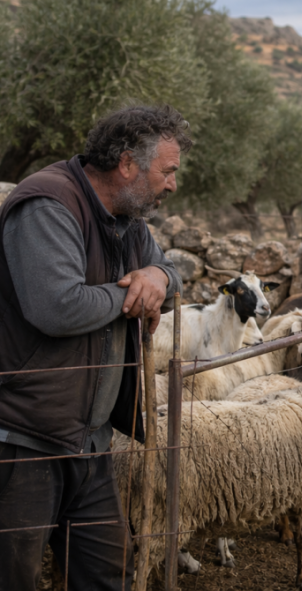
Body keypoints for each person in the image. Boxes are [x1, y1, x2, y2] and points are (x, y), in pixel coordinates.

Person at [0, 105, 187, 589]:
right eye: (167, 172)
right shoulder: (47, 205)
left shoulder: (126, 221)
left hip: (89, 442)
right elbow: (57, 306)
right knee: (13, 577)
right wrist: (135, 292)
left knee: (107, 575)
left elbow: (174, 276)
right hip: (23, 441)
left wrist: (159, 275)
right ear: (127, 164)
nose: (172, 185)